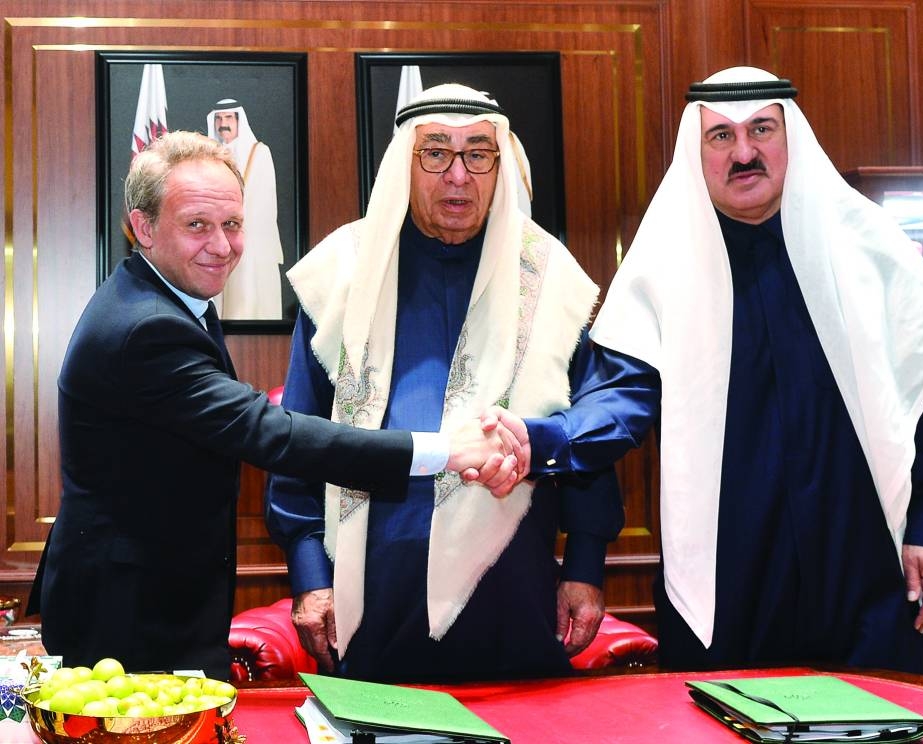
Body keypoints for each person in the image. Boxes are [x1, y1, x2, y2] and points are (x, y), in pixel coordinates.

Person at [497, 66, 923, 677]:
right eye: (721, 136)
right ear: (696, 155)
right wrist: (545, 440)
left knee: (887, 713)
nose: (744, 153)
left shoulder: (868, 249)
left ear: (792, 137)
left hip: (867, 559)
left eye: (761, 129)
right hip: (730, 573)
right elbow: (619, 397)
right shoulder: (664, 269)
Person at [28, 131, 518, 680]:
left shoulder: (162, 297)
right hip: (127, 610)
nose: (222, 246)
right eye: (197, 225)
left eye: (233, 224)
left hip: (144, 590)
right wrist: (445, 450)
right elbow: (270, 433)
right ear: (143, 227)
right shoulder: (147, 327)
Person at [264, 84, 624, 683]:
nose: (458, 175)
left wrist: (585, 565)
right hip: (368, 592)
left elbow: (584, 432)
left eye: (478, 154)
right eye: (435, 153)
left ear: (500, 165)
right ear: (404, 164)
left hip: (512, 586)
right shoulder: (343, 273)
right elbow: (296, 439)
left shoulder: (549, 276)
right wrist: (308, 575)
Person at [207, 98, 284, 319]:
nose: (223, 124)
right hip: (218, 240)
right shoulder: (209, 158)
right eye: (219, 118)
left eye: (228, 118)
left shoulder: (259, 153)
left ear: (239, 120)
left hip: (251, 241)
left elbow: (264, 203)